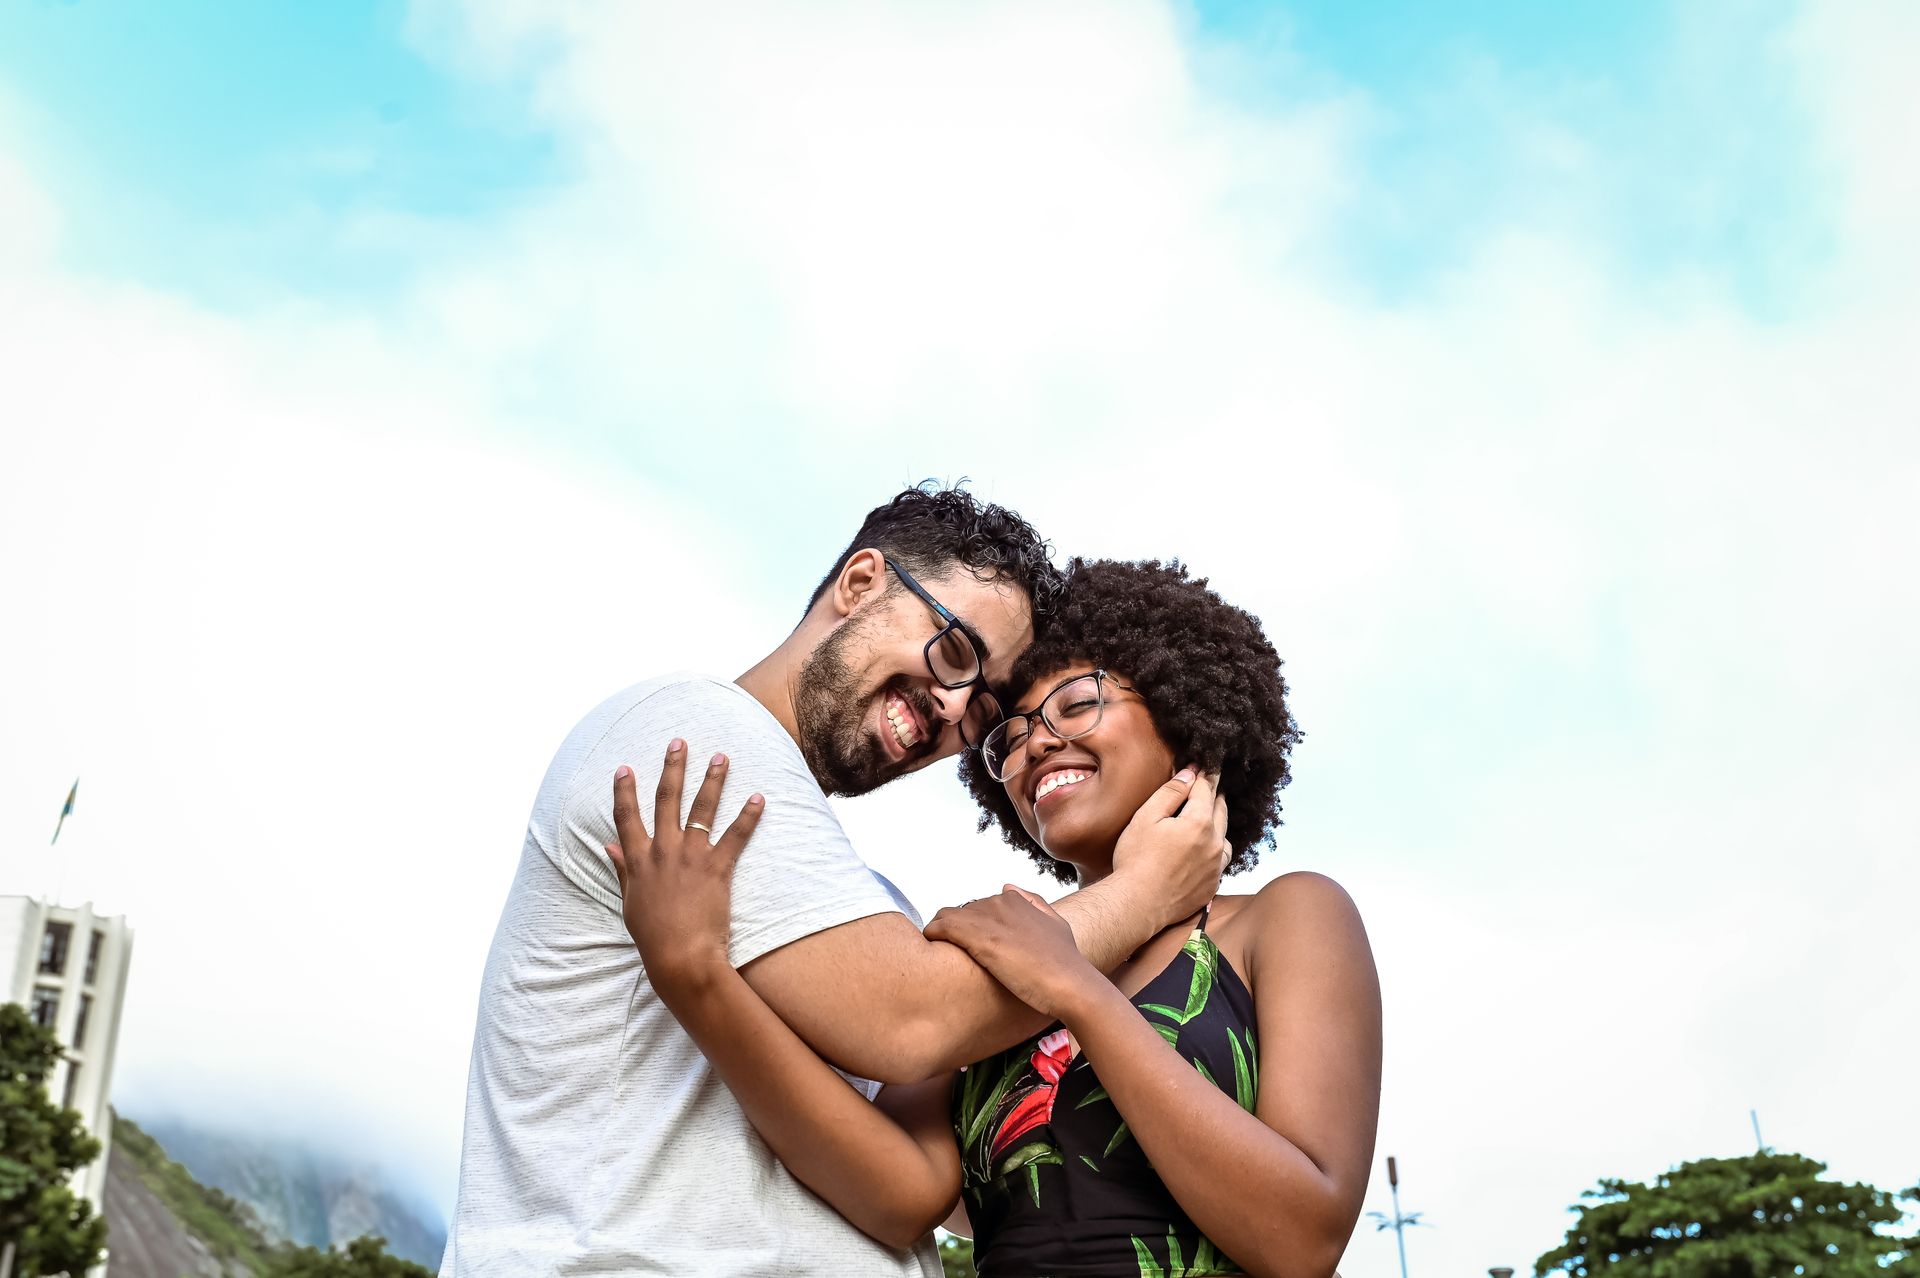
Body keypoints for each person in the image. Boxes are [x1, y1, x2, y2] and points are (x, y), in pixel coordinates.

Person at [441, 491, 1230, 1277]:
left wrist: (703, 981)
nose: (953, 707)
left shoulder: (877, 910)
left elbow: (912, 1195)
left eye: (982, 706)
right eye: (954, 651)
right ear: (859, 584)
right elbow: (913, 1017)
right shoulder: (692, 734)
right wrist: (1146, 893)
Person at [605, 558, 1382, 1278]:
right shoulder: (993, 955)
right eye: (1008, 736)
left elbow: (1302, 1239)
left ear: (1186, 717)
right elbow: (900, 1197)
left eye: (1078, 705)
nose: (1036, 742)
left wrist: (1077, 990)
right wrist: (695, 976)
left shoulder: (1287, 918)